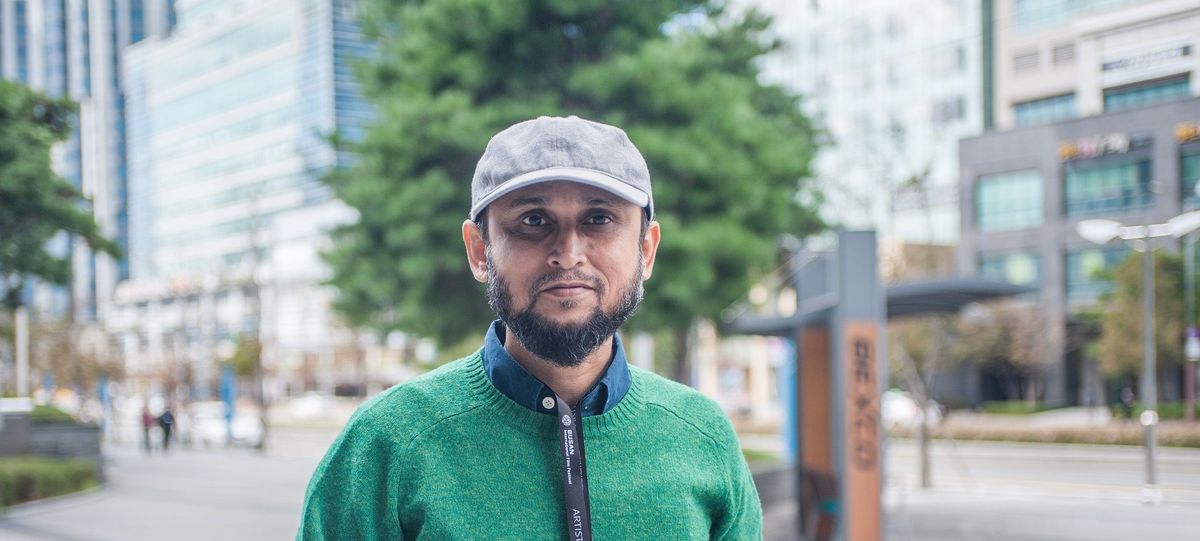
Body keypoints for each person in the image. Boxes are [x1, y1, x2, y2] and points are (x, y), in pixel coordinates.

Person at [298, 116, 762, 539]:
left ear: (646, 249)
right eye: (533, 221)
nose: (568, 254)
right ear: (479, 251)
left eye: (599, 219)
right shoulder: (388, 442)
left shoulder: (703, 436)